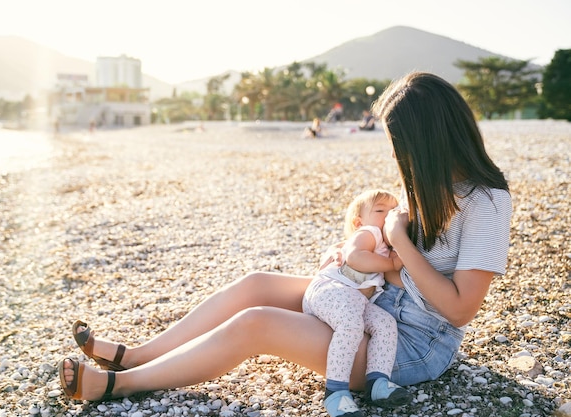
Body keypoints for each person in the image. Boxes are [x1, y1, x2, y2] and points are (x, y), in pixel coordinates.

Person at [58, 72, 512, 414]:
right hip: (374, 298)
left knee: (256, 323)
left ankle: (120, 384)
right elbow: (398, 266)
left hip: (410, 343)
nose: (397, 155)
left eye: (401, 143)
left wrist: (398, 241)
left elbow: (458, 309)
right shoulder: (426, 184)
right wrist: (353, 257)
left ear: (427, 141)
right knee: (256, 284)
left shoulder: (487, 202)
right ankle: (137, 355)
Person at [304, 189, 411, 416]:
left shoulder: (385, 243)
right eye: (380, 210)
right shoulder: (369, 232)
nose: (388, 216)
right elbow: (355, 257)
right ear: (359, 221)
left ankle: (378, 381)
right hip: (332, 290)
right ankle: (335, 391)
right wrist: (391, 264)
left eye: (393, 210)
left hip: (355, 299)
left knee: (385, 324)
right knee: (351, 326)